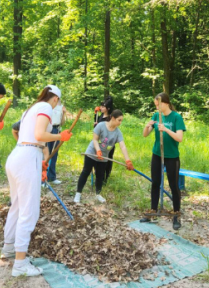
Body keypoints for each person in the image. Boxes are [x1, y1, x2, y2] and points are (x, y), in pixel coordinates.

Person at [0, 85, 72, 276]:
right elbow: (40, 135)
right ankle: (20, 264)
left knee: (17, 205)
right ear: (55, 99)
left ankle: (9, 248)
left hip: (19, 155)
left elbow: (34, 139)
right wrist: (60, 135)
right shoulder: (47, 108)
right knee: (28, 210)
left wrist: (42, 162)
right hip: (27, 157)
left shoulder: (31, 108)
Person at [141, 93, 186, 230]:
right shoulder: (156, 116)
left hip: (171, 156)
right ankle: (153, 211)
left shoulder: (176, 117)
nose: (156, 107)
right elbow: (145, 134)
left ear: (165, 103)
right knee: (155, 182)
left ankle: (176, 215)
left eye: (158, 104)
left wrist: (165, 128)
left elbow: (179, 138)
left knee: (173, 185)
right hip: (157, 154)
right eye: (155, 105)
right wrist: (148, 126)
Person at [74, 109, 134, 203]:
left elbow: (122, 146)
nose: (120, 122)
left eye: (121, 120)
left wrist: (128, 160)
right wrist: (98, 151)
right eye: (119, 120)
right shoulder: (101, 125)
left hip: (104, 157)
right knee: (86, 172)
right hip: (92, 153)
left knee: (100, 175)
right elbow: (95, 140)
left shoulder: (118, 132)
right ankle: (78, 193)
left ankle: (98, 194)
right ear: (113, 118)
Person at [45, 100, 67, 184]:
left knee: (54, 153)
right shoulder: (48, 105)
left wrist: (64, 113)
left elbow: (62, 123)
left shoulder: (61, 107)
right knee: (46, 153)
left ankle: (52, 177)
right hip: (48, 130)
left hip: (57, 130)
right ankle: (44, 177)